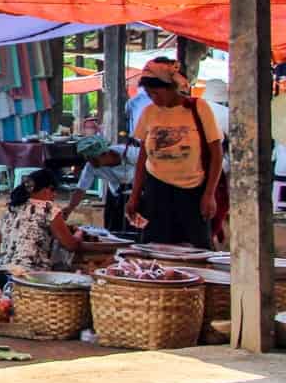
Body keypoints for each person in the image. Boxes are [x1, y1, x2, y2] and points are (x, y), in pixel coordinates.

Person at [126, 59, 222, 248]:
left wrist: (209, 194)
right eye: (149, 94)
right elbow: (142, 158)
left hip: (194, 189)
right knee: (157, 245)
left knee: (196, 246)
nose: (154, 98)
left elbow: (216, 154)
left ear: (171, 87)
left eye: (157, 92)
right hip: (157, 189)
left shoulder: (199, 108)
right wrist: (135, 195)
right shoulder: (149, 112)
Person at [0, 168, 82, 274]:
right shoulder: (49, 209)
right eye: (54, 191)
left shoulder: (9, 210)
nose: (55, 196)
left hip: (3, 272)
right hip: (31, 275)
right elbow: (71, 245)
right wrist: (79, 233)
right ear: (48, 189)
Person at [69, 135, 139, 234]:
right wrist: (69, 208)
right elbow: (81, 189)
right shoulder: (91, 167)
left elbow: (147, 165)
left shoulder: (129, 153)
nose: (91, 163)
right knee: (113, 229)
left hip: (138, 190)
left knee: (136, 227)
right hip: (116, 193)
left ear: (105, 153)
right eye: (88, 159)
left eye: (93, 159)